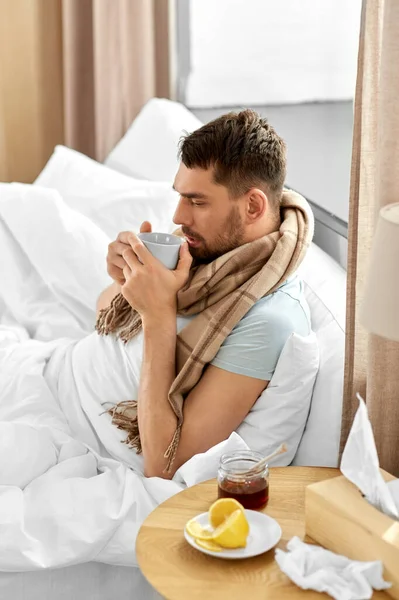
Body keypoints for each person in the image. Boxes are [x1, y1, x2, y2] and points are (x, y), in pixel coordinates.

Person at [96, 109, 313, 479]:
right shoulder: (204, 255)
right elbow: (102, 323)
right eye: (180, 197)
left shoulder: (268, 322)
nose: (179, 216)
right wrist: (125, 279)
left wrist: (158, 316)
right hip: (51, 374)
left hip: (79, 425)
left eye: (197, 202)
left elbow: (165, 464)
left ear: (253, 206)